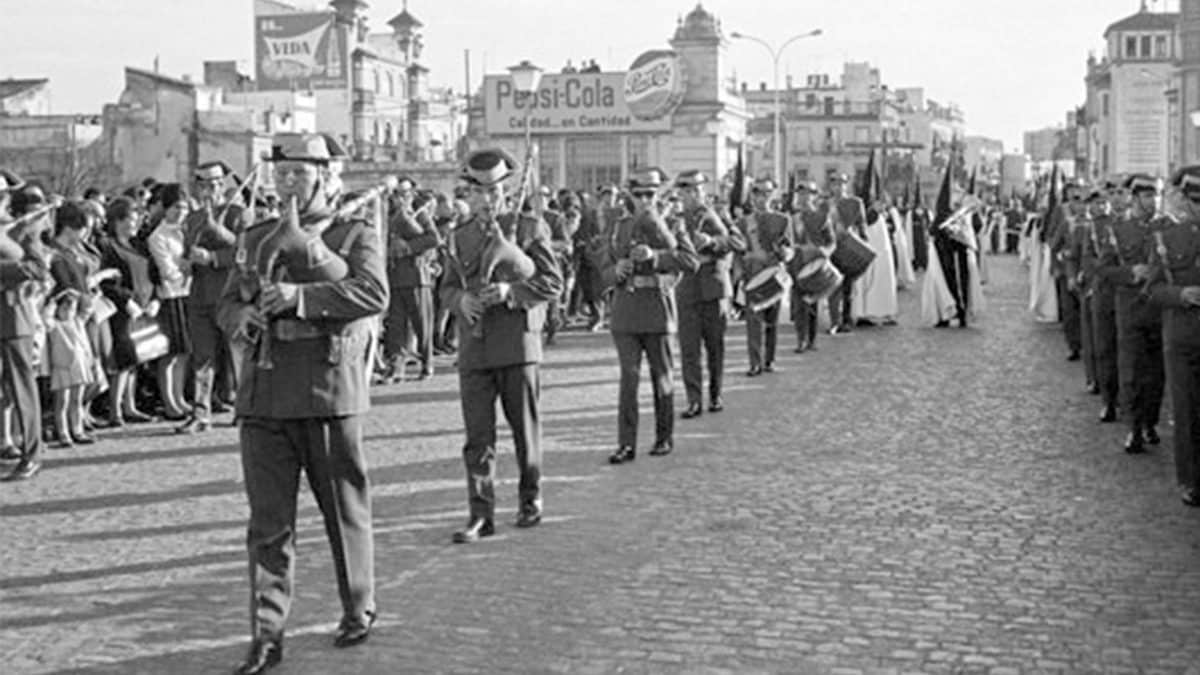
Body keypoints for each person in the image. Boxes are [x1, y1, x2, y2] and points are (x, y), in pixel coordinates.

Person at [218, 133, 388, 674]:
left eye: (299, 173)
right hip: (264, 393)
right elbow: (227, 300)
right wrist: (237, 317)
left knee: (343, 512)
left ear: (324, 175)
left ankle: (358, 604)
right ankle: (267, 634)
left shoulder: (353, 232)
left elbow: (372, 294)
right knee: (268, 525)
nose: (287, 182)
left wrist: (301, 297)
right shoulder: (255, 236)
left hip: (326, 390)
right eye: (281, 173)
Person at [439, 149, 563, 543]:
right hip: (475, 346)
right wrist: (461, 301)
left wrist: (511, 290)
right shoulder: (459, 237)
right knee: (478, 437)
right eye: (479, 193)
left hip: (517, 343)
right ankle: (480, 513)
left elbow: (552, 282)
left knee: (524, 430)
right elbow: (446, 286)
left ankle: (530, 498)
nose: (487, 200)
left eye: (494, 192)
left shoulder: (526, 228)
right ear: (468, 195)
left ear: (505, 192)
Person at [597, 168, 699, 464]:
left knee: (662, 377)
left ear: (658, 195)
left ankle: (663, 437)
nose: (644, 200)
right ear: (630, 194)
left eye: (650, 194)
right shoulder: (619, 225)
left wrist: (656, 258)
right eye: (639, 194)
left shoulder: (673, 223)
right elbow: (602, 267)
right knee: (628, 380)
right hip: (626, 311)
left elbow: (690, 261)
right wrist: (614, 272)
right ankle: (626, 443)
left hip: (657, 308)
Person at [1095, 174, 1165, 454]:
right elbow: (1103, 270)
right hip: (1130, 307)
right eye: (1148, 197)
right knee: (1132, 369)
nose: (1153, 202)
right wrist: (1129, 273)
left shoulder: (1163, 228)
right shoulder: (1118, 230)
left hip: (1158, 308)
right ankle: (1133, 427)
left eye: (1155, 196)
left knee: (1157, 372)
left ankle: (1150, 422)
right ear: (1135, 199)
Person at [177, 162, 248, 433]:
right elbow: (188, 251)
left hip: (229, 294)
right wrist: (187, 262)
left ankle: (245, 409)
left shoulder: (240, 214)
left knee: (236, 356)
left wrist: (214, 256)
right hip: (199, 296)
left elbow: (244, 253)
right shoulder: (193, 219)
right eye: (205, 185)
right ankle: (200, 412)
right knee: (202, 358)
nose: (211, 190)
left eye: (216, 184)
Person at [1148, 165, 1200, 507]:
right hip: (1183, 337)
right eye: (1193, 200)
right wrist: (1181, 295)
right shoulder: (1166, 237)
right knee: (1187, 412)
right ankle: (1192, 480)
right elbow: (1152, 290)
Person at [674, 170, 743, 417]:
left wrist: (713, 242)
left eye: (697, 190)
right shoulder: (674, 218)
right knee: (689, 350)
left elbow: (738, 242)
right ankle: (693, 400)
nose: (692, 195)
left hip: (714, 289)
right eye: (687, 191)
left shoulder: (719, 214)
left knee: (715, 347)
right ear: (680, 193)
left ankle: (716, 394)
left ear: (704, 190)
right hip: (687, 290)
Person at [0, 178, 52, 481]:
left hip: (13, 316)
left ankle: (31, 453)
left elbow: (38, 268)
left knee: (21, 388)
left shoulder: (21, 229)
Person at [97, 196, 157, 426]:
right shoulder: (108, 246)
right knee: (123, 361)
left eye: (136, 219)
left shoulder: (139, 245)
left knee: (136, 359)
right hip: (123, 310)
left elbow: (152, 276)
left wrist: (154, 300)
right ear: (118, 221)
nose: (134, 224)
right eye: (130, 220)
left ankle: (129, 405)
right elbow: (109, 282)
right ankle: (115, 410)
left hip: (143, 308)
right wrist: (127, 301)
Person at [383, 176, 441, 381]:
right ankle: (396, 367)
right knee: (395, 326)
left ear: (412, 194)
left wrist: (408, 248)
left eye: (404, 193)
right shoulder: (385, 215)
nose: (400, 198)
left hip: (417, 276)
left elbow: (434, 239)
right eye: (397, 193)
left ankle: (427, 363)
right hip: (393, 276)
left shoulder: (420, 215)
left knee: (421, 323)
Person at [145, 184, 193, 420]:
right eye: (176, 207)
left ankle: (180, 396)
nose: (180, 212)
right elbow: (167, 270)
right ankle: (169, 401)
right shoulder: (158, 236)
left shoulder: (186, 231)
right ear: (165, 208)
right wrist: (188, 269)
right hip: (170, 295)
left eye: (184, 208)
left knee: (184, 351)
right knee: (171, 352)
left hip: (187, 294)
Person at [737, 177, 794, 375]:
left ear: (773, 195)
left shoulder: (783, 220)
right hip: (753, 275)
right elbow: (738, 251)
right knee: (753, 321)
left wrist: (785, 253)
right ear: (752, 196)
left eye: (766, 193)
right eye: (758, 193)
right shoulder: (743, 223)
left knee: (772, 320)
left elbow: (789, 248)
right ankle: (755, 362)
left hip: (774, 274)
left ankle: (769, 359)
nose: (762, 197)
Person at [791, 181, 836, 352]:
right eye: (801, 194)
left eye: (808, 194)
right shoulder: (793, 218)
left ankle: (812, 339)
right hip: (797, 263)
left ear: (814, 196)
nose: (804, 198)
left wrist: (825, 252)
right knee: (799, 304)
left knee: (812, 304)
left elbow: (831, 242)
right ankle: (800, 340)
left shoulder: (822, 218)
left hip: (815, 265)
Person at [824, 172, 868, 334]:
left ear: (846, 185)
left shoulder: (856, 203)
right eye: (835, 183)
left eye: (841, 183)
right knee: (833, 285)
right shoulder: (826, 204)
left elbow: (862, 225)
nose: (838, 186)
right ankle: (835, 321)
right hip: (831, 248)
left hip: (848, 247)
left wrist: (864, 240)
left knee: (848, 287)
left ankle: (846, 319)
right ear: (831, 186)